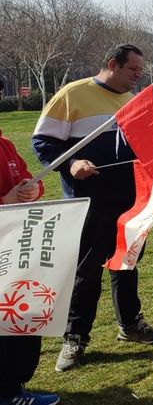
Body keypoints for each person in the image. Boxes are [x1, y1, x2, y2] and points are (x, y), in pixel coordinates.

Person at [32, 44, 153, 373]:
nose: (138, 75)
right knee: (87, 271)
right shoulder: (73, 94)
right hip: (89, 200)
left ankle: (129, 324)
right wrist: (72, 163)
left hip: (129, 201)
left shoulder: (132, 99)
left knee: (126, 262)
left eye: (140, 70)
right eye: (132, 69)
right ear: (112, 64)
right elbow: (42, 141)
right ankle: (75, 338)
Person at [0, 131, 57, 405]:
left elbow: (28, 178)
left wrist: (33, 189)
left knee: (20, 314)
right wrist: (5, 202)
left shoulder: (5, 144)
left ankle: (14, 386)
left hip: (17, 245)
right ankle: (7, 392)